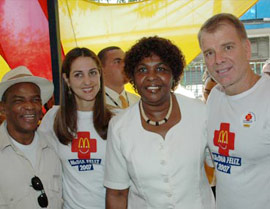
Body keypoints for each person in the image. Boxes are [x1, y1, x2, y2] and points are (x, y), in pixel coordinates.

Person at [104, 36, 215, 209]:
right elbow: (117, 193)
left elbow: (221, 167)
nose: (151, 77)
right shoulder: (119, 127)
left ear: (174, 74)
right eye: (142, 70)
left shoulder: (200, 113)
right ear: (132, 76)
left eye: (161, 69)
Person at [198, 13, 270, 209]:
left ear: (247, 49)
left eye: (227, 47)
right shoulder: (214, 97)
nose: (218, 60)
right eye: (209, 53)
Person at [39, 47, 113, 209]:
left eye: (92, 73)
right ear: (66, 80)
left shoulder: (118, 119)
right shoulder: (53, 118)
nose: (87, 81)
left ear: (100, 74)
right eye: (78, 75)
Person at [0, 66, 62, 208]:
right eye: (19, 100)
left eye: (35, 99)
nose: (29, 106)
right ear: (3, 108)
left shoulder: (55, 148)